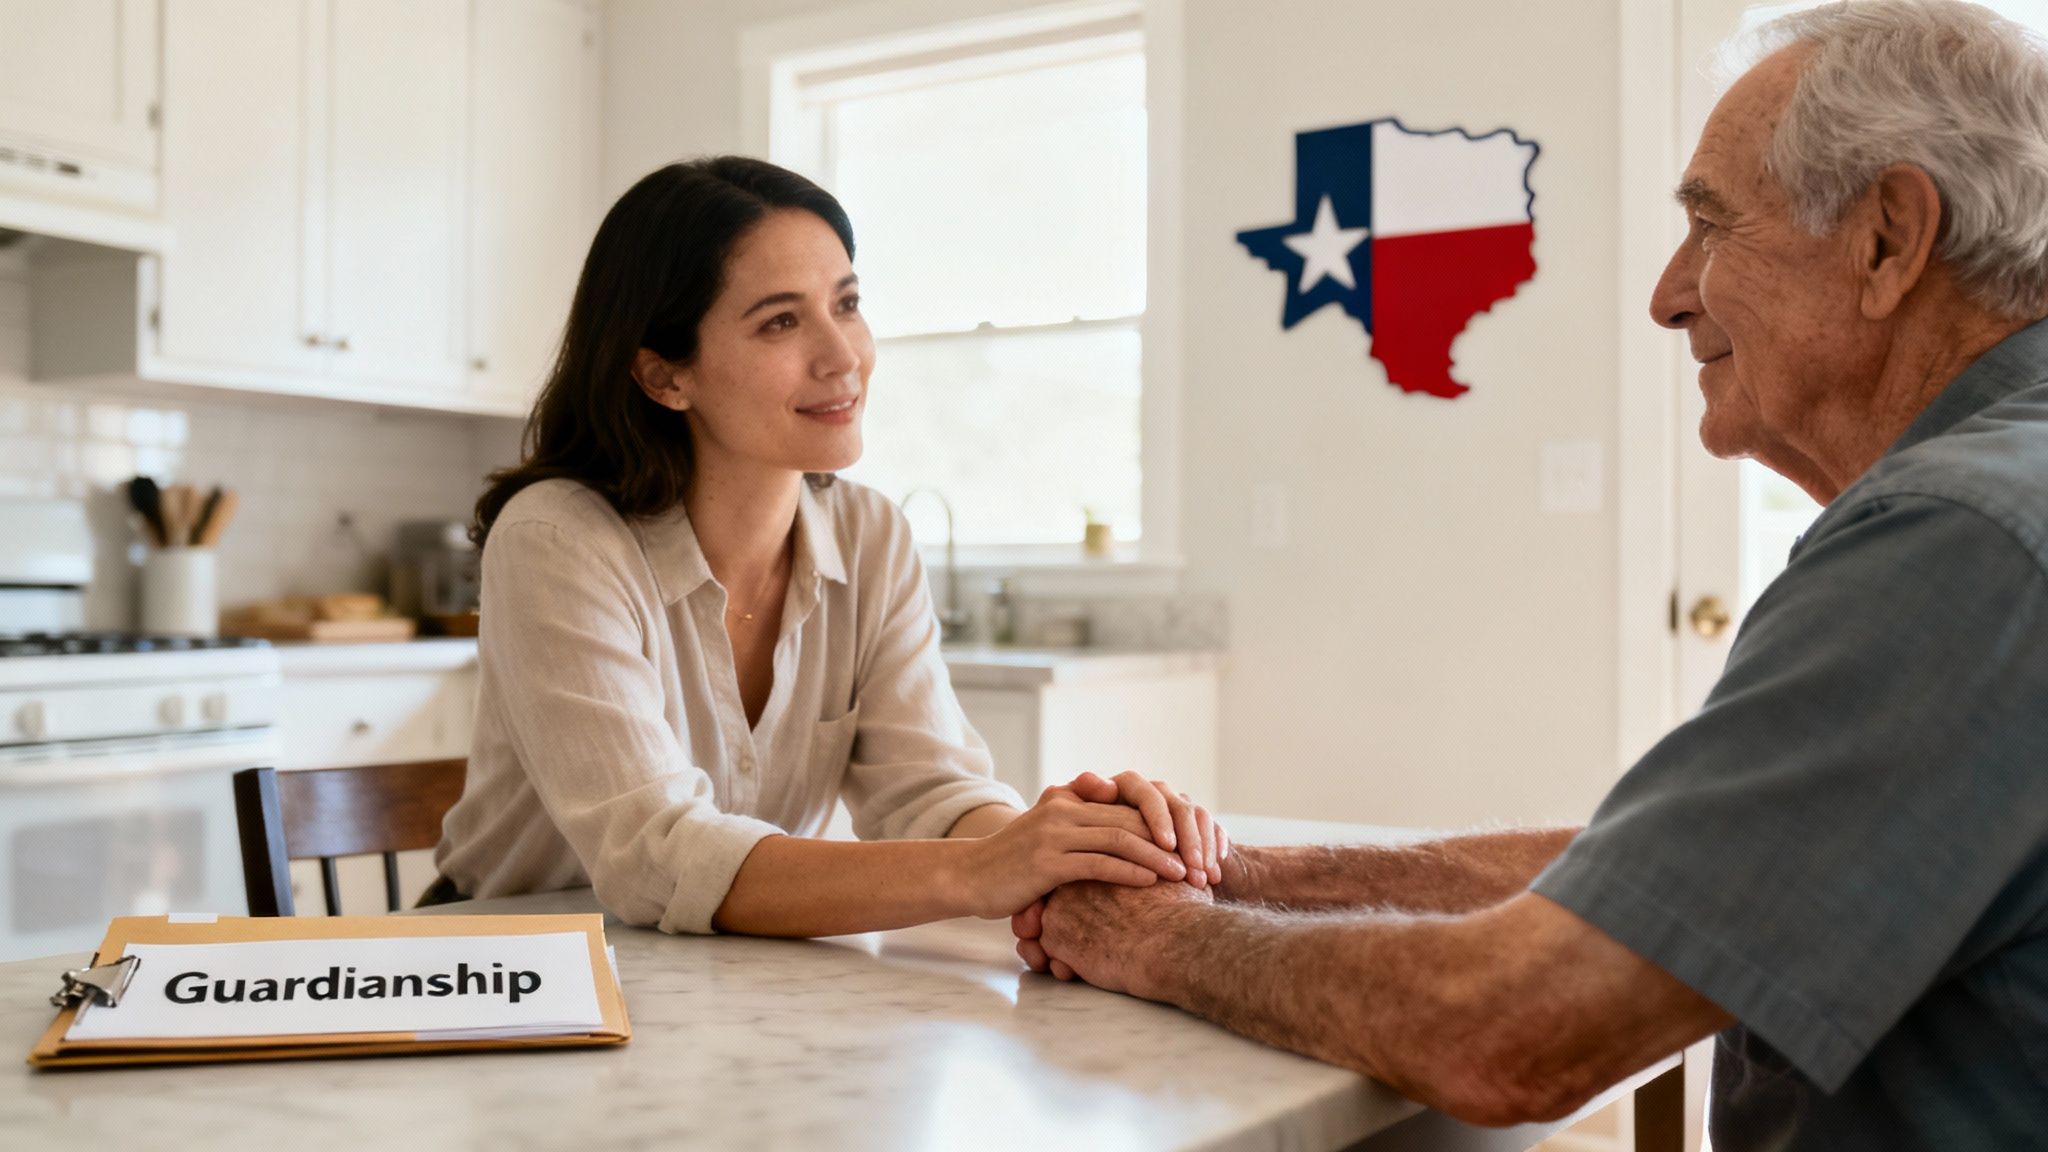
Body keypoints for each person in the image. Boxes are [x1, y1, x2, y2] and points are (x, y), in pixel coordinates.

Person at [1016, 2, 2048, 1146]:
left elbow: (1507, 1027)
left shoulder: (1962, 540)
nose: (1667, 292)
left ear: (1887, 239)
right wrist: (1244, 873)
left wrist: (1145, 937)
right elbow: (1664, 879)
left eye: (1710, 225)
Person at [433, 156, 1224, 937]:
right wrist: (988, 871)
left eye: (846, 304)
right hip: (495, 973)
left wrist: (1066, 852)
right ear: (663, 376)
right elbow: (655, 855)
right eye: (781, 321)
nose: (843, 355)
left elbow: (930, 790)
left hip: (716, 979)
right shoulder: (557, 540)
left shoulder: (872, 535)